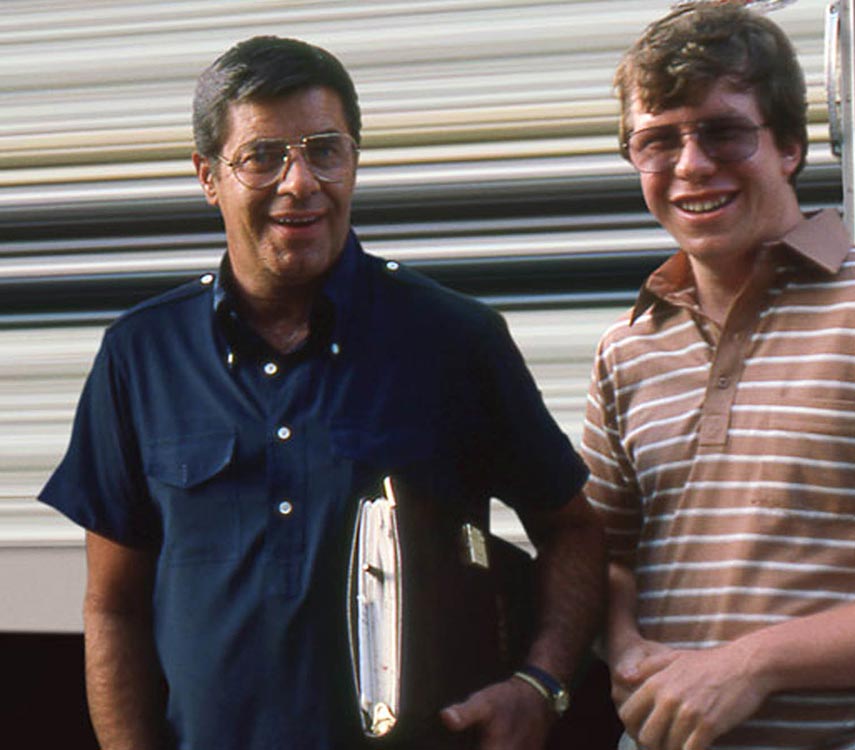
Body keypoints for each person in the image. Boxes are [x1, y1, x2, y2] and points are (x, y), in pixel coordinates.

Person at [40, 35, 606, 750]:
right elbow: (114, 607)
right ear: (208, 175)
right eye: (263, 156)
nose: (300, 181)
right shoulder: (141, 356)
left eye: (324, 149)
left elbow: (573, 530)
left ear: (355, 161)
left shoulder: (455, 341)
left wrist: (541, 684)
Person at [582, 4, 855, 749]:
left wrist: (754, 665)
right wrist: (625, 647)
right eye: (657, 141)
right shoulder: (629, 347)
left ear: (790, 146)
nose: (690, 165)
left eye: (723, 131)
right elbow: (605, 555)